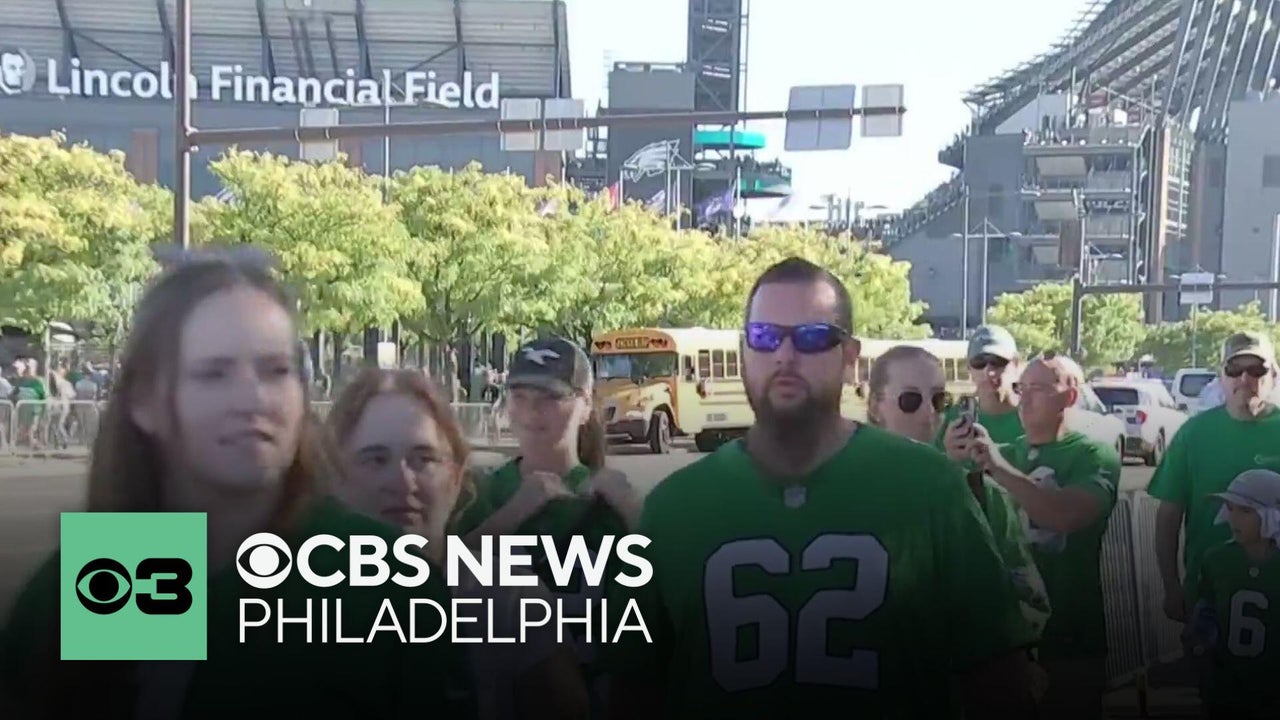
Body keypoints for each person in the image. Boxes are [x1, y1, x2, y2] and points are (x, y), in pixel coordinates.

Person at [0, 257, 477, 719]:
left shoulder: (378, 575)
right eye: (214, 373)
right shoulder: (106, 575)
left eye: (276, 370)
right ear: (145, 401)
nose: (253, 399)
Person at [601, 257, 1039, 719]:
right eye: (765, 337)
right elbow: (631, 690)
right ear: (744, 349)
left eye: (812, 337)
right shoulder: (671, 509)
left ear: (850, 358)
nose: (785, 355)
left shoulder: (934, 491)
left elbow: (999, 684)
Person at [326, 367, 589, 720]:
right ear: (333, 478)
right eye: (376, 459)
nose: (403, 481)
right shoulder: (294, 605)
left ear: (455, 478)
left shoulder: (510, 600)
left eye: (424, 459)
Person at [454, 336, 642, 714]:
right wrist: (512, 515)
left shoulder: (611, 503)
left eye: (551, 398)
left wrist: (636, 514)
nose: (531, 411)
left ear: (585, 406)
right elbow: (434, 585)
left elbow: (671, 605)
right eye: (519, 396)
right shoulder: (477, 495)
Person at [958, 352, 1121, 719]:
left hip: (1071, 634)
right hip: (1006, 639)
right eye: (1021, 388)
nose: (1024, 398)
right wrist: (954, 459)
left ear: (1069, 396)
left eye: (1039, 389)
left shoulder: (1093, 455)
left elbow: (1066, 516)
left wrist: (998, 468)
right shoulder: (1006, 453)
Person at [870, 345, 1051, 643]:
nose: (929, 413)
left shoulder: (979, 493)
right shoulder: (843, 487)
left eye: (939, 400)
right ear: (876, 406)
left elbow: (1030, 602)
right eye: (910, 400)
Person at [1151, 332, 1280, 630]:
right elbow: (1169, 515)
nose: (1244, 379)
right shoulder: (1193, 434)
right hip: (1209, 595)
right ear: (1221, 377)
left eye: (1256, 369)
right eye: (1234, 369)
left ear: (1273, 376)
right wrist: (1171, 586)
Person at [1188, 469, 1280, 718]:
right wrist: (1201, 641)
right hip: (1227, 689)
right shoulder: (1217, 559)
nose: (1233, 518)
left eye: (1245, 510)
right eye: (1229, 508)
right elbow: (1206, 612)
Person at [937, 324, 1023, 447]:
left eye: (997, 362)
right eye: (979, 363)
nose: (988, 372)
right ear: (969, 368)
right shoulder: (957, 419)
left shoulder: (1033, 415)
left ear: (1016, 364)